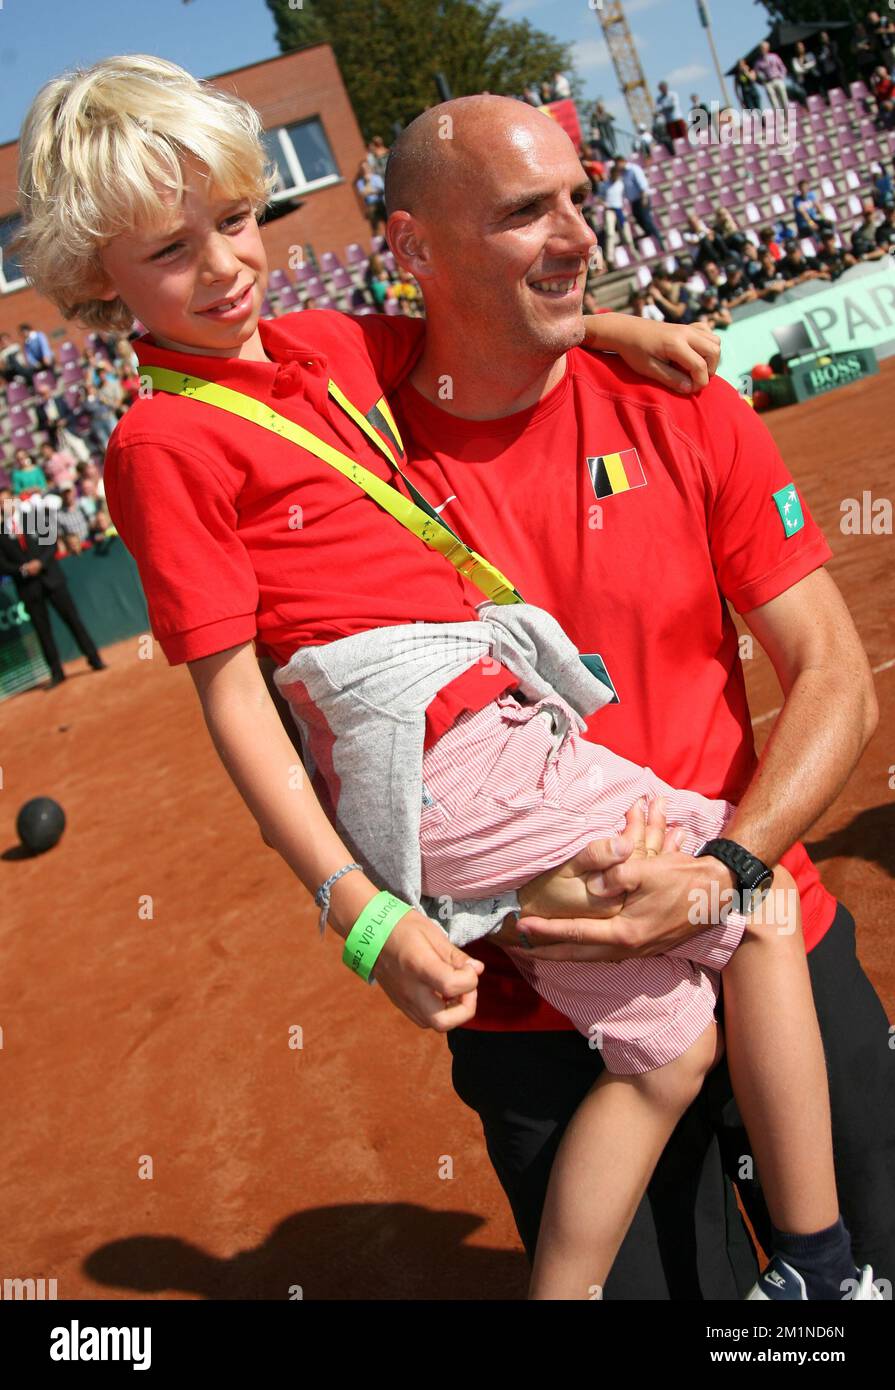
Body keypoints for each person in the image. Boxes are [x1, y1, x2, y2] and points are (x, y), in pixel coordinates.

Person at [51, 62, 881, 1302]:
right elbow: (233, 697)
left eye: (234, 220)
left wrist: (622, 325)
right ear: (95, 277)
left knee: (695, 1032)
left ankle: (813, 1268)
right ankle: (815, 1268)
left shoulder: (330, 347)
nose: (225, 264)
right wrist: (359, 908)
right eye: (171, 248)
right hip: (488, 854)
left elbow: (834, 678)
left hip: (669, 854)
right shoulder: (166, 439)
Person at [378, 97, 891, 1298]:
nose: (576, 236)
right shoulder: (356, 460)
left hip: (770, 927)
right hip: (550, 1017)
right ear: (410, 250)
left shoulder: (683, 405)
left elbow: (830, 677)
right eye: (522, 212)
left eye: (577, 198)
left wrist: (727, 866)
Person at [0, 486, 107, 686]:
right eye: (0, 503)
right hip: (29, 588)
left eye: (7, 500)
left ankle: (94, 658)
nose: (5, 506)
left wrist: (39, 563)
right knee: (43, 631)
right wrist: (23, 569)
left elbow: (51, 544)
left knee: (73, 620)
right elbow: (2, 564)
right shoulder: (0, 533)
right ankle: (56, 672)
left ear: (14, 501)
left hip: (52, 578)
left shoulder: (33, 518)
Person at [614, 155, 664, 249]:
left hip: (641, 199)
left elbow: (642, 184)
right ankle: (653, 242)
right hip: (634, 202)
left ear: (622, 161)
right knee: (641, 222)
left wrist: (644, 199)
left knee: (647, 222)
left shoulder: (634, 169)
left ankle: (659, 244)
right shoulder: (623, 174)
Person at [754, 41, 789, 111]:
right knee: (774, 103)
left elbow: (782, 67)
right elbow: (756, 76)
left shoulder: (774, 57)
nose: (762, 50)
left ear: (767, 48)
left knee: (784, 100)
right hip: (768, 83)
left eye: (763, 48)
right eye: (761, 48)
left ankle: (790, 117)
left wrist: (781, 76)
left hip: (778, 79)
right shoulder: (758, 63)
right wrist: (762, 83)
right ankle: (781, 120)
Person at [355, 159, 386, 236]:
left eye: (366, 167)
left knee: (387, 218)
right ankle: (376, 235)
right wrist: (368, 182)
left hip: (380, 202)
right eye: (363, 168)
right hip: (371, 205)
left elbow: (382, 190)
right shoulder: (360, 182)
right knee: (372, 215)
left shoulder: (376, 178)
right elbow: (362, 193)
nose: (365, 170)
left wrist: (370, 191)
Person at [815, 32, 844, 97]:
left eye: (825, 37)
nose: (824, 38)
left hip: (836, 69)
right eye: (822, 37)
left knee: (841, 85)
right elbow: (818, 60)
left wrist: (827, 52)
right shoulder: (819, 49)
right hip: (827, 72)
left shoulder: (833, 44)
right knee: (831, 89)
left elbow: (834, 54)